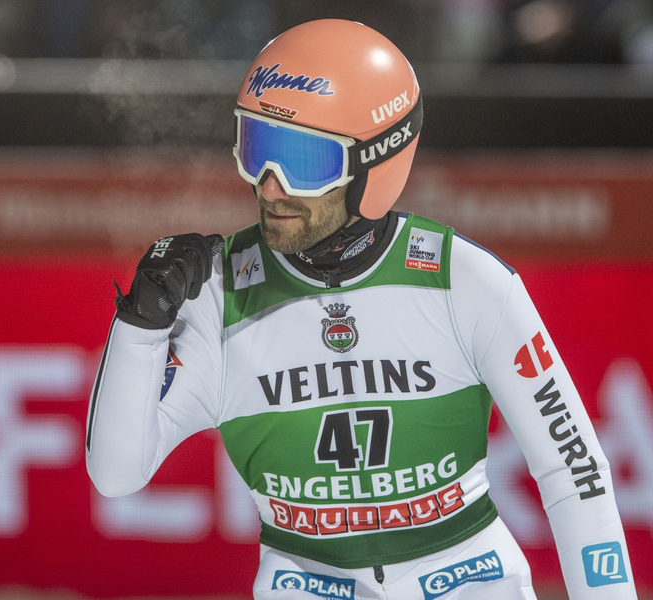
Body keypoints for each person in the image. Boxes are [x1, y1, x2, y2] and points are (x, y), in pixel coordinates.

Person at [85, 19, 637, 600]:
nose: (270, 186)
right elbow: (117, 474)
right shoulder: (219, 295)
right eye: (258, 148)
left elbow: (574, 473)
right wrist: (139, 325)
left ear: (376, 163)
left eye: (303, 160)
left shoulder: (465, 282)